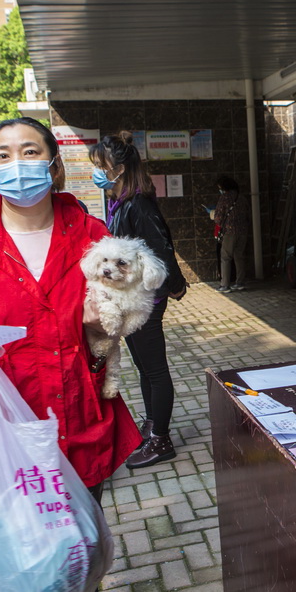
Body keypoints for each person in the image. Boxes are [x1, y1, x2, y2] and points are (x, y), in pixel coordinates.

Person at [0, 118, 142, 551]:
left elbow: (124, 304)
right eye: (3, 155)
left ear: (52, 163)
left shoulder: (91, 235)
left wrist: (105, 321)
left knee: (75, 558)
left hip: (73, 411)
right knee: (10, 565)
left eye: (30, 151)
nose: (18, 163)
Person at [90, 132, 187, 468]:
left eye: (100, 167)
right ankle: (152, 425)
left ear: (117, 167)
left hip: (146, 300)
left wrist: (175, 284)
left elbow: (162, 248)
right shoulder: (121, 202)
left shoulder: (138, 203)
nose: (98, 173)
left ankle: (161, 440)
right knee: (146, 369)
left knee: (155, 369)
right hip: (131, 298)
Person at [211, 175, 250, 292]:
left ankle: (225, 285)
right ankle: (240, 282)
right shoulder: (242, 198)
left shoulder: (224, 198)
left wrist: (212, 214)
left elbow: (218, 218)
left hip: (230, 232)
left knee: (225, 257)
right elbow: (248, 215)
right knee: (239, 256)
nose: (220, 190)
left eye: (220, 188)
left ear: (224, 187)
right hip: (243, 231)